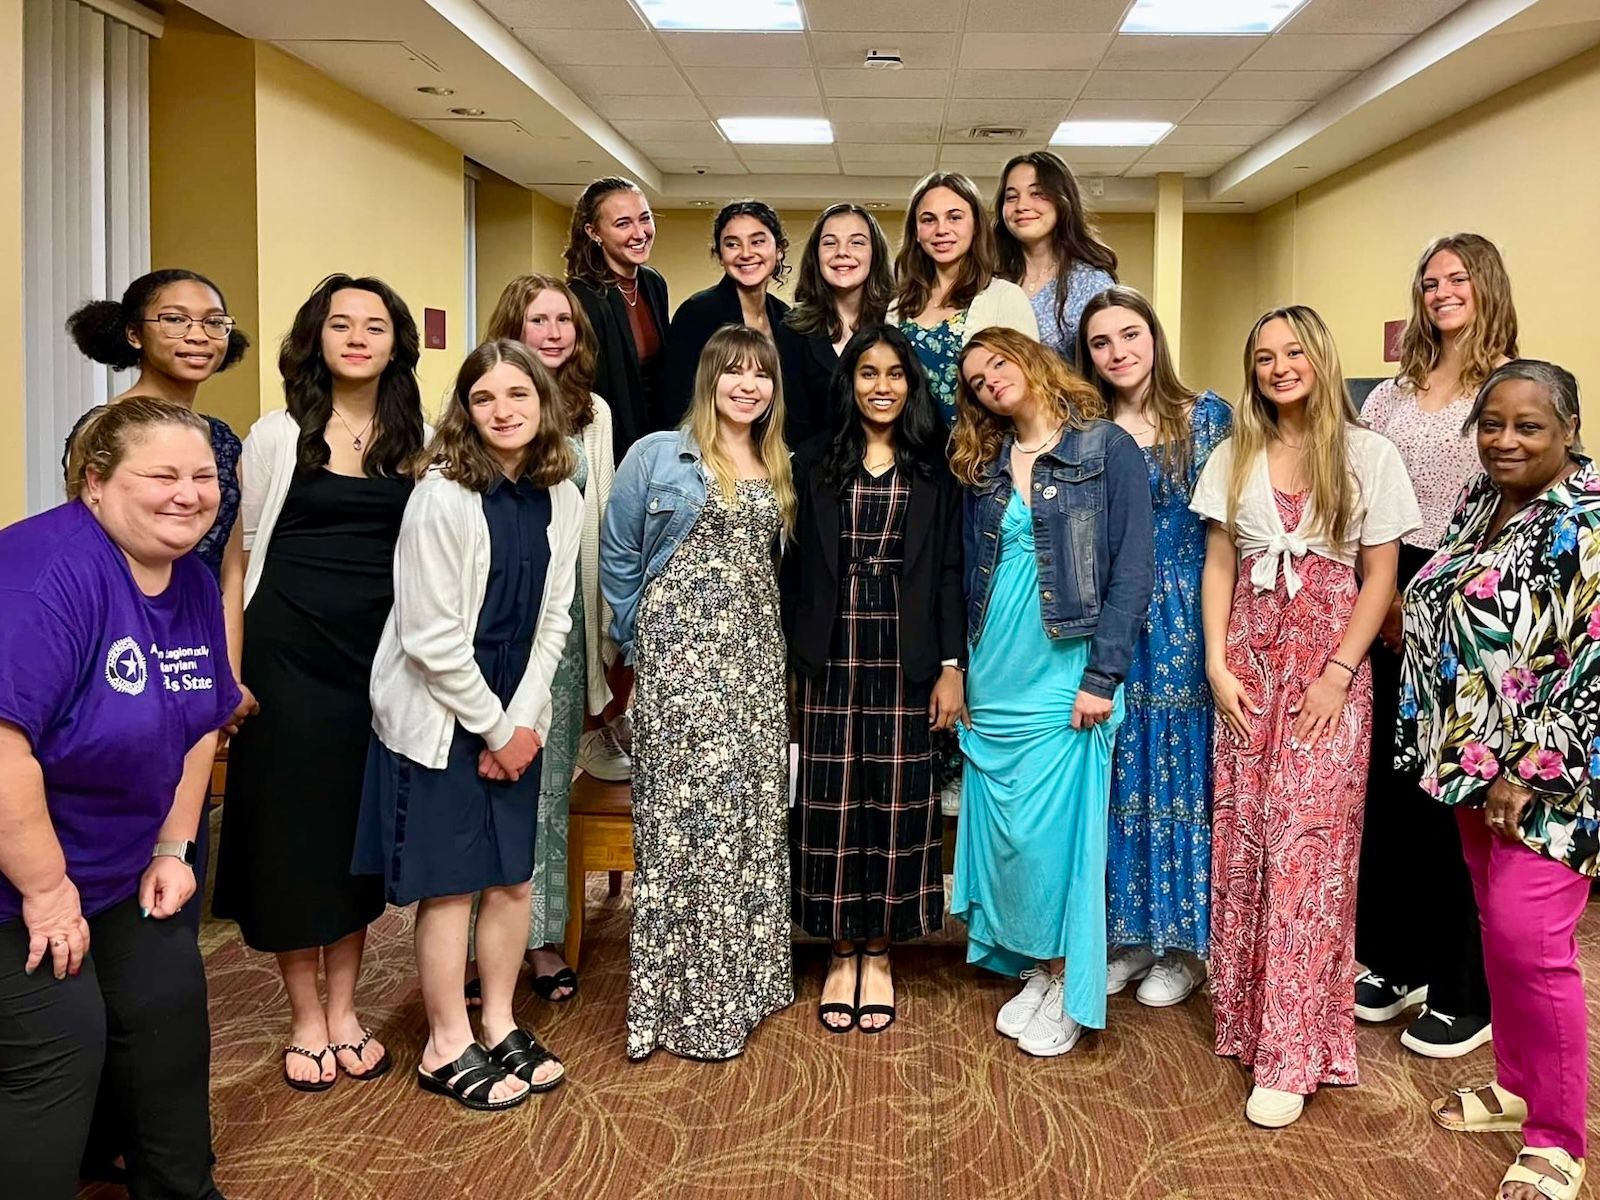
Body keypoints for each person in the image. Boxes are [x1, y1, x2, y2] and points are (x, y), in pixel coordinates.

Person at [0, 399, 240, 1199]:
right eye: (162, 475)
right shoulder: (45, 576)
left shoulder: (194, 581)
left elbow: (199, 715)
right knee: (60, 1049)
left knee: (168, 1012)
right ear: (94, 484)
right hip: (18, 877)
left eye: (203, 476)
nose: (189, 493)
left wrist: (173, 847)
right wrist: (44, 891)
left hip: (114, 863)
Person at [1192, 305, 1419, 1128]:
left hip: (1328, 665)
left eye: (1293, 352)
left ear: (1320, 357)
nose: (1279, 367)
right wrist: (1215, 663)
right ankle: (1249, 1020)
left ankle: (1295, 1048)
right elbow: (1221, 560)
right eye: (1263, 357)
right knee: (1248, 836)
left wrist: (1336, 672)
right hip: (1248, 661)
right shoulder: (1234, 452)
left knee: (1310, 849)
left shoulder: (1369, 454)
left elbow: (1381, 574)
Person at [213, 274, 427, 1091]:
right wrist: (230, 669)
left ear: (396, 342)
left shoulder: (421, 436)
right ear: (317, 337)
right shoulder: (274, 434)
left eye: (375, 324)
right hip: (288, 656)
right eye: (342, 323)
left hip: (375, 663)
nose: (358, 336)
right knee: (290, 840)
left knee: (352, 839)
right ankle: (306, 1016)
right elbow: (240, 559)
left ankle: (347, 1009)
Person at [355, 339, 581, 1111]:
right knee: (451, 888)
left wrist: (521, 724)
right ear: (465, 410)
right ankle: (446, 1041)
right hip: (442, 717)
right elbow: (430, 638)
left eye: (519, 395)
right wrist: (494, 730)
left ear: (543, 404)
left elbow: (556, 618)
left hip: (515, 715)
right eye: (485, 399)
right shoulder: (442, 494)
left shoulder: (562, 492)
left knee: (513, 880)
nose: (503, 411)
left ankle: (498, 1019)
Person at [1399, 360, 1594, 1200]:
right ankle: (1519, 1088)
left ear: (1569, 430)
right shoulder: (1486, 500)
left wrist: (1528, 767)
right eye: (1492, 424)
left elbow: (1592, 662)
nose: (1505, 440)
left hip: (1550, 777)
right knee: (1498, 934)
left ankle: (1558, 1136)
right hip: (1474, 763)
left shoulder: (1587, 522)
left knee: (1531, 941)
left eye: (1528, 427)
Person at [949, 326, 1154, 1057]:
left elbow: (1133, 569)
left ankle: (1073, 981)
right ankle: (1041, 963)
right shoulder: (983, 464)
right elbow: (961, 571)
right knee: (1010, 839)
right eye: (974, 380)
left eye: (998, 363)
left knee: (1058, 840)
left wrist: (1104, 676)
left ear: (1032, 361)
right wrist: (959, 669)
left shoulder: (1105, 448)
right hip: (993, 669)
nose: (989, 381)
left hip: (1067, 672)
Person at [600, 325, 796, 1060]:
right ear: (709, 379)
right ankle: (683, 1004)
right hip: (681, 663)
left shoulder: (778, 462)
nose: (748, 386)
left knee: (745, 820)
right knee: (684, 826)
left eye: (761, 375)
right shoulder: (658, 455)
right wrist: (641, 633)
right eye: (734, 373)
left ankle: (745, 983)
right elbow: (618, 553)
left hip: (753, 666)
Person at [1354, 232, 1518, 1057]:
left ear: (1487, 286)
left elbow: (1515, 504)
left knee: (1451, 794)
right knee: (1390, 787)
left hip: (1469, 601)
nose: (1441, 292)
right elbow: (1360, 497)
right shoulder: (1389, 394)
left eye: (1457, 279)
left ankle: (1463, 985)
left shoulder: (1512, 389)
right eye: (1429, 282)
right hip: (1383, 584)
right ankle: (1392, 956)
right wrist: (1376, 594)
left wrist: (1426, 599)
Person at [782, 325, 963, 1034]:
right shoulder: (811, 462)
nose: (880, 386)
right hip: (827, 654)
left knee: (894, 803)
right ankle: (839, 946)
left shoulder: (934, 469)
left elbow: (949, 573)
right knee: (827, 801)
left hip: (906, 653)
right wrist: (793, 660)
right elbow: (792, 572)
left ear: (911, 384)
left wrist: (952, 668)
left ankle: (880, 950)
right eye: (866, 373)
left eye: (894, 374)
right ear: (849, 382)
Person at [64, 269, 255, 939]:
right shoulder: (106, 428)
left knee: (180, 836)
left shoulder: (222, 437)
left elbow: (229, 566)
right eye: (175, 319)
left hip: (195, 651)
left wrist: (224, 677)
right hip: (126, 655)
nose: (197, 334)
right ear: (133, 333)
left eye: (213, 321)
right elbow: (88, 560)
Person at [1077, 287, 1231, 1007]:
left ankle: (1187, 944)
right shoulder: (1085, 427)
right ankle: (1134, 933)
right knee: (1123, 772)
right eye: (1102, 342)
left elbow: (1231, 533)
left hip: (1188, 607)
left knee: (1181, 774)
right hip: (1113, 615)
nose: (1118, 352)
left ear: (1154, 337)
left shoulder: (1206, 417)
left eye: (1130, 335)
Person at [480, 274, 619, 995]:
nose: (556, 332)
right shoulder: (486, 400)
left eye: (565, 319)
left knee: (546, 788)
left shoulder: (590, 410)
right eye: (539, 319)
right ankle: (480, 939)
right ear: (514, 325)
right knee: (483, 782)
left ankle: (540, 941)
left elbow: (601, 526)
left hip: (563, 627)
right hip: (490, 629)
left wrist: (604, 632)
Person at [892, 171, 1039, 425]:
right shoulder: (898, 307)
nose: (941, 230)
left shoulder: (1004, 297)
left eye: (955, 217)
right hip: (915, 455)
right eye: (928, 220)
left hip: (988, 452)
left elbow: (1033, 386)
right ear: (915, 232)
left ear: (975, 226)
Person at [660, 199, 801, 431]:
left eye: (757, 242)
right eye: (732, 244)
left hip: (772, 450)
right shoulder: (696, 313)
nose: (746, 253)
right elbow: (676, 404)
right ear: (719, 255)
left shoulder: (786, 318)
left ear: (779, 250)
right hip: (708, 449)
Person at [565, 177, 670, 458]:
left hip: (655, 437)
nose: (640, 233)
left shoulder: (653, 283)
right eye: (623, 224)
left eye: (644, 219)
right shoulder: (580, 297)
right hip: (607, 442)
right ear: (593, 232)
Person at [779, 203, 895, 447]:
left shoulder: (896, 321)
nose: (842, 252)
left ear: (875, 253)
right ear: (816, 255)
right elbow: (793, 424)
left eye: (857, 242)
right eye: (830, 243)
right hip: (811, 473)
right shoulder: (792, 329)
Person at [995, 151, 1118, 366]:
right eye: (1011, 197)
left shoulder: (1091, 283)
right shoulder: (990, 279)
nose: (1021, 206)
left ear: (1063, 200)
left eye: (1037, 194)